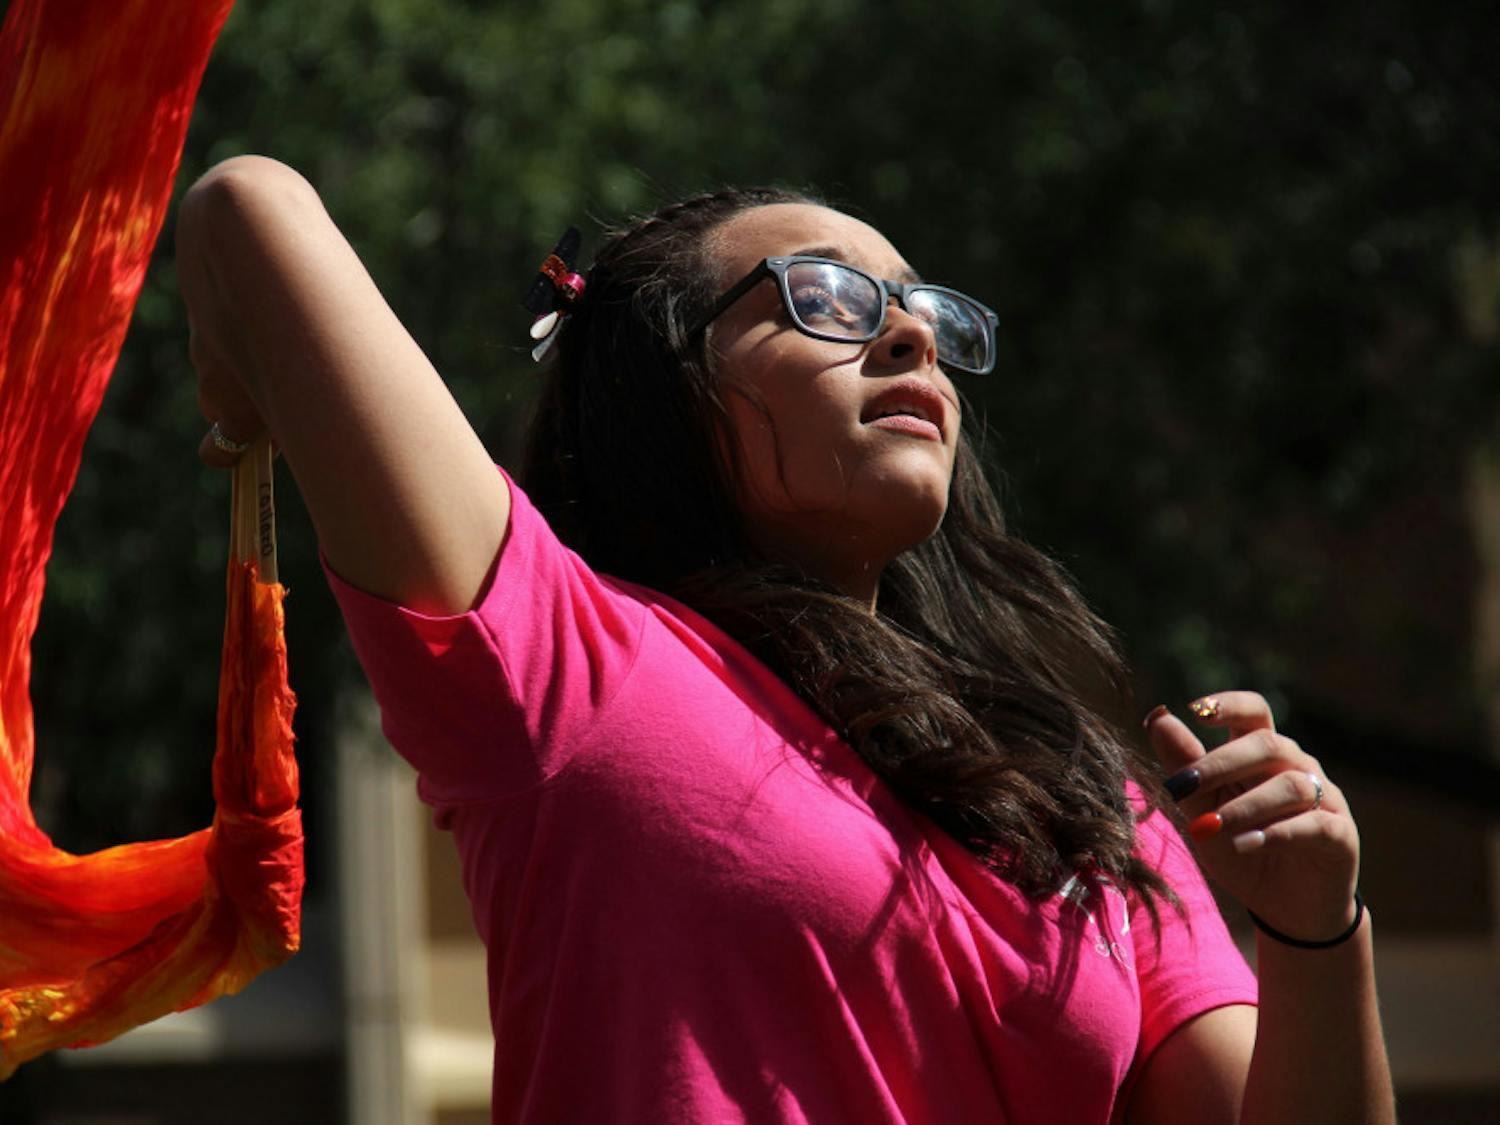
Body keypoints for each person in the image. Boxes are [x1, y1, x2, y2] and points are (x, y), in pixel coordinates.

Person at [176, 156, 1394, 1123]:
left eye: (925, 312)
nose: (911, 337)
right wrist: (241, 397)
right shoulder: (565, 661)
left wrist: (1313, 928)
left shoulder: (1092, 809)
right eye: (827, 301)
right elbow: (250, 210)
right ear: (671, 386)